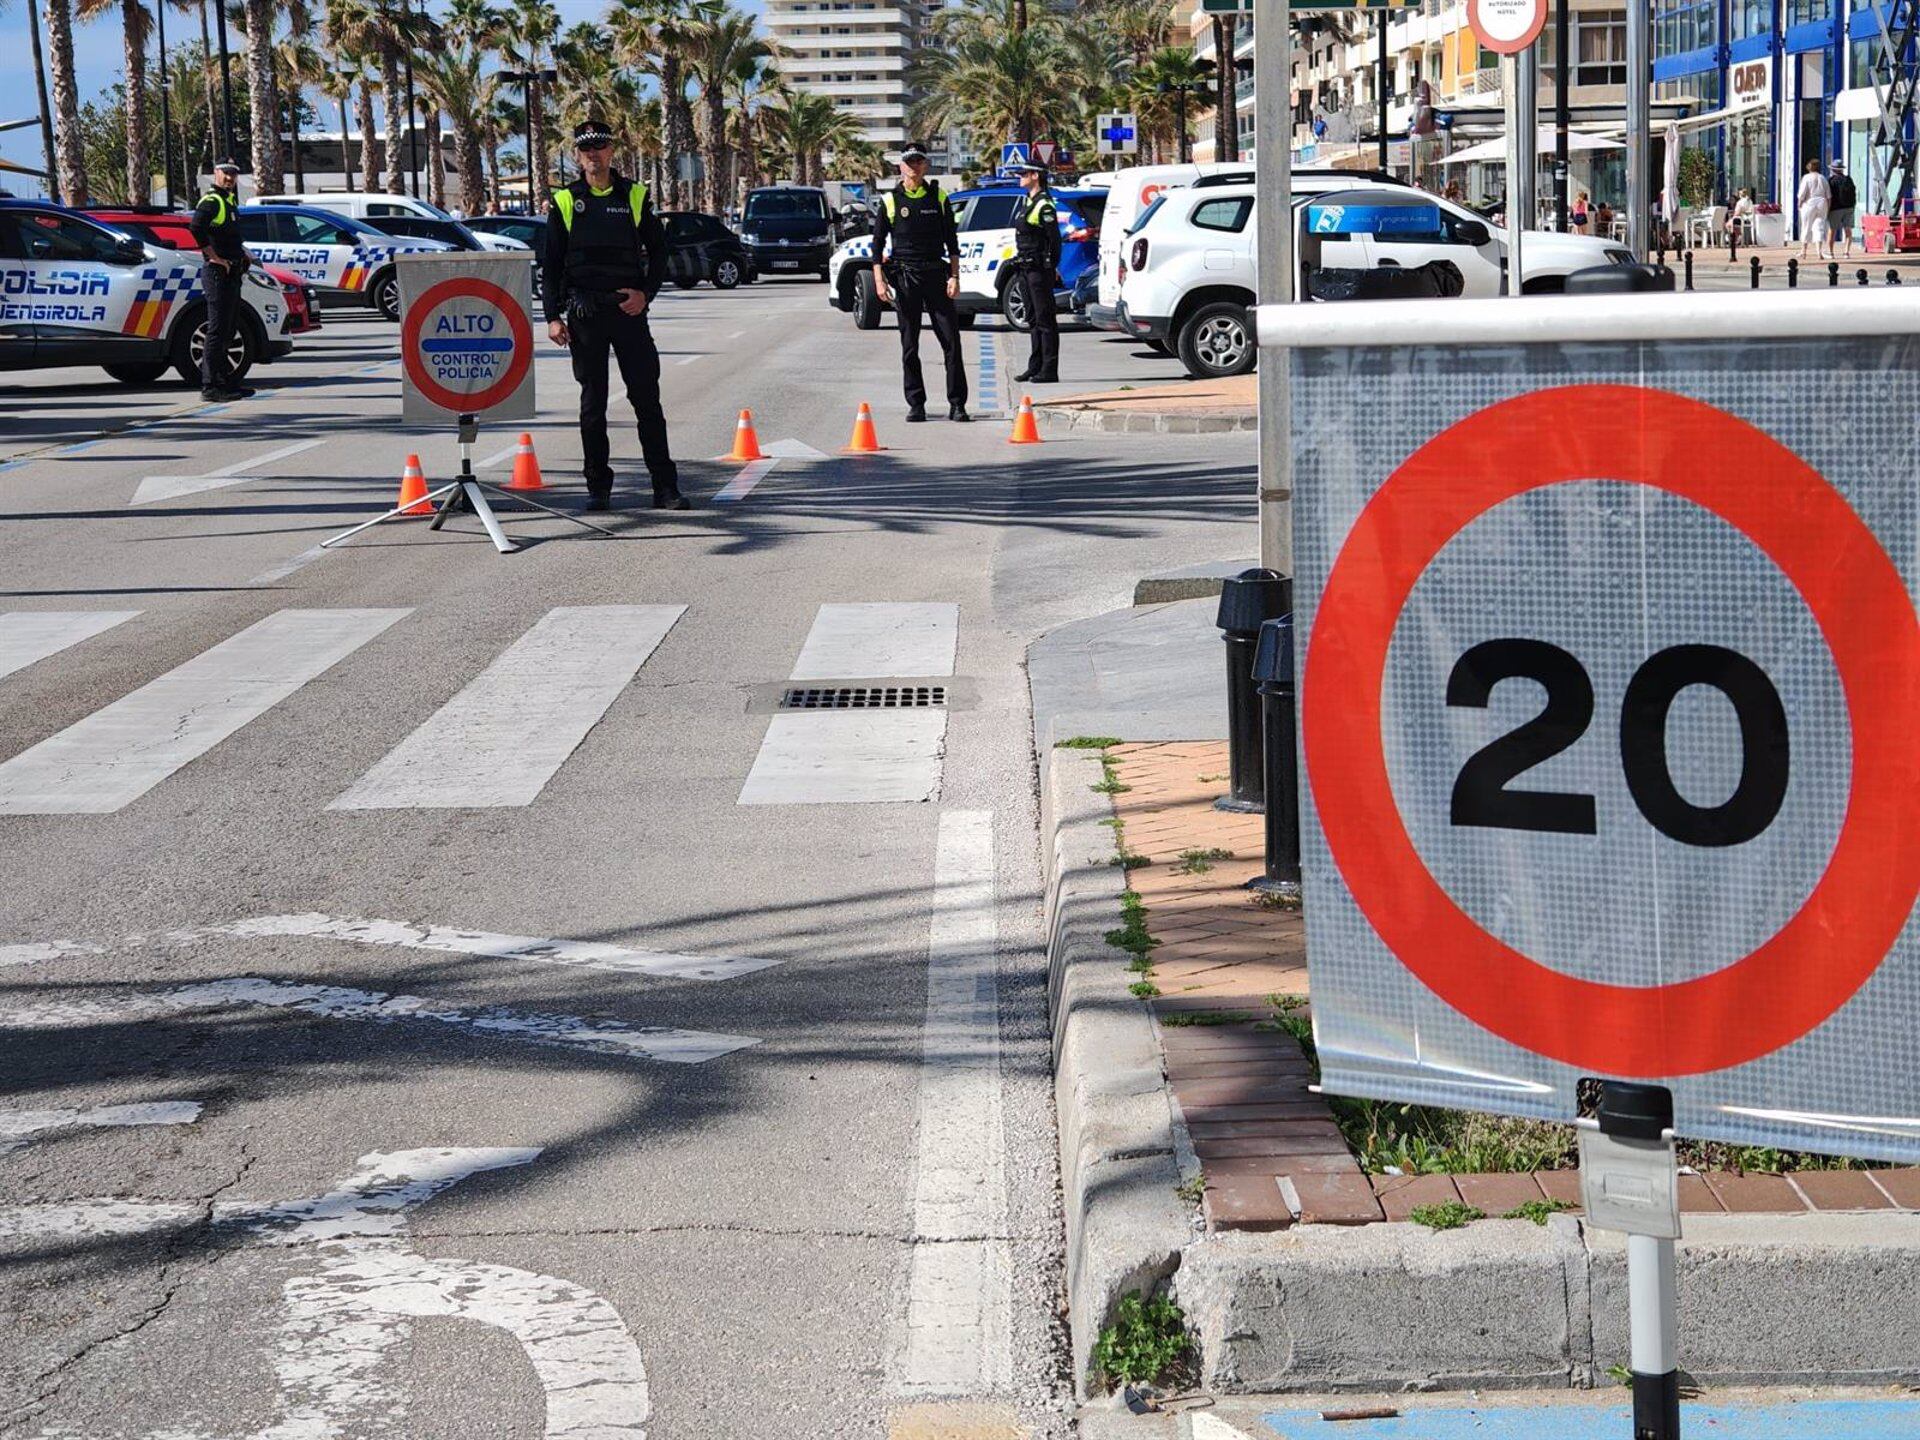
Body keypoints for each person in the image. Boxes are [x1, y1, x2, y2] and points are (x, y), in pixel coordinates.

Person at [542, 118, 686, 511]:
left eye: (600, 146)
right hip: (585, 314)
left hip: (628, 311)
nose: (594, 154)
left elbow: (660, 251)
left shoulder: (633, 195)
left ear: (611, 151)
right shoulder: (565, 201)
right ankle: (598, 489)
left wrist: (645, 295)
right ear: (577, 155)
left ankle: (665, 488)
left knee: (647, 401)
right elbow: (551, 264)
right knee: (593, 406)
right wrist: (552, 316)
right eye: (586, 148)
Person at [869, 141, 968, 422]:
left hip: (936, 275)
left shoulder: (938, 196)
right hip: (905, 278)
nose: (914, 166)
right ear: (901, 166)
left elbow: (952, 242)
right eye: (909, 161)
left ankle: (957, 404)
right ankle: (916, 404)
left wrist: (955, 276)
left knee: (951, 342)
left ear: (925, 165)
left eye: (918, 161)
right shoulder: (890, 201)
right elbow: (877, 245)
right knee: (910, 345)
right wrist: (879, 281)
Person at [189, 160, 254, 402]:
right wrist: (214, 257)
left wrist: (243, 254)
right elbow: (196, 227)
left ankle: (225, 383)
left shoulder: (228, 200)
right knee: (217, 331)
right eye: (225, 173)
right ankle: (210, 387)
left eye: (233, 174)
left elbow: (229, 235)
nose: (229, 178)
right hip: (218, 274)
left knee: (229, 328)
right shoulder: (212, 200)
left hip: (232, 273)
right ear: (216, 173)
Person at [1010, 161, 1061, 385]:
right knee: (1032, 319)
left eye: (1024, 173)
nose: (1020, 177)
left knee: (1045, 320)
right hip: (1025, 268)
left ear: (1035, 176)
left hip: (1039, 270)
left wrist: (1051, 266)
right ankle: (1035, 366)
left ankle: (1049, 369)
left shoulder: (1044, 205)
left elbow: (1054, 240)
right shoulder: (1027, 202)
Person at [1796, 158, 1830, 261]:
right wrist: (1828, 206)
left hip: (1809, 203)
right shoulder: (1823, 178)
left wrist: (1799, 203)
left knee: (1806, 227)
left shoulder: (1806, 178)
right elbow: (1828, 195)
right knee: (1819, 227)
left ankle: (1804, 251)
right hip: (1822, 203)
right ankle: (1819, 251)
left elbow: (1802, 193)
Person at [1828, 160, 1857, 259]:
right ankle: (1846, 252)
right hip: (1849, 207)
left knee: (1832, 231)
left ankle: (1831, 253)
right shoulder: (1848, 179)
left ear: (1833, 170)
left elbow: (1829, 195)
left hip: (1835, 208)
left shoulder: (1831, 181)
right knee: (1848, 230)